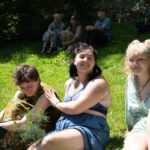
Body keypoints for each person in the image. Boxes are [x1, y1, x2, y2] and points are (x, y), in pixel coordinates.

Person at [28, 43, 112, 150]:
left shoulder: (98, 83)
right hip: (64, 127)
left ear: (94, 62)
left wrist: (56, 103)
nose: (86, 60)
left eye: (90, 58)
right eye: (82, 56)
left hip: (89, 128)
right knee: (34, 147)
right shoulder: (69, 83)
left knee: (48, 142)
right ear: (74, 59)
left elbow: (75, 108)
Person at [0, 65, 61, 149]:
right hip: (31, 123)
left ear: (38, 80)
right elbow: (9, 107)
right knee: (14, 103)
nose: (26, 91)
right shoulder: (25, 89)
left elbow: (24, 123)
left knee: (8, 137)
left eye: (29, 87)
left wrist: (2, 127)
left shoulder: (46, 95)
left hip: (46, 130)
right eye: (22, 88)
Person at [123, 39, 150, 150]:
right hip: (138, 128)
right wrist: (130, 129)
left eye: (140, 60)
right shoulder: (131, 79)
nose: (134, 64)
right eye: (131, 60)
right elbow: (128, 108)